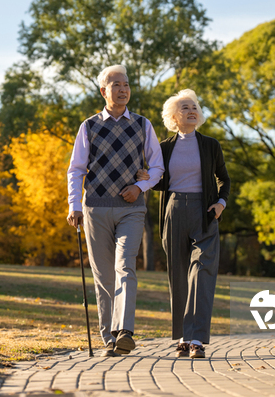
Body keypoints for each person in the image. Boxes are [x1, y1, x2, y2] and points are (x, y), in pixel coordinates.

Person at [67, 65, 164, 357]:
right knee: (104, 275)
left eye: (126, 84)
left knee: (125, 266)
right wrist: (73, 205)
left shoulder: (143, 125)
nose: (123, 89)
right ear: (103, 91)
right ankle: (109, 337)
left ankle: (125, 331)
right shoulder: (89, 126)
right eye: (116, 84)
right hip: (95, 208)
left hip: (131, 209)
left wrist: (140, 187)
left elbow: (158, 167)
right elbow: (75, 170)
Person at [137, 88, 230, 359]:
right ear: (174, 117)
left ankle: (197, 340)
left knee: (201, 273)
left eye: (195, 107)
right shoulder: (164, 147)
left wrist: (221, 204)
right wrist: (148, 176)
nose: (192, 111)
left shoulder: (210, 144)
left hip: (205, 213)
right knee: (178, 275)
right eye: (185, 107)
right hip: (174, 210)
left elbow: (224, 178)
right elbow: (160, 180)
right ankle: (181, 337)